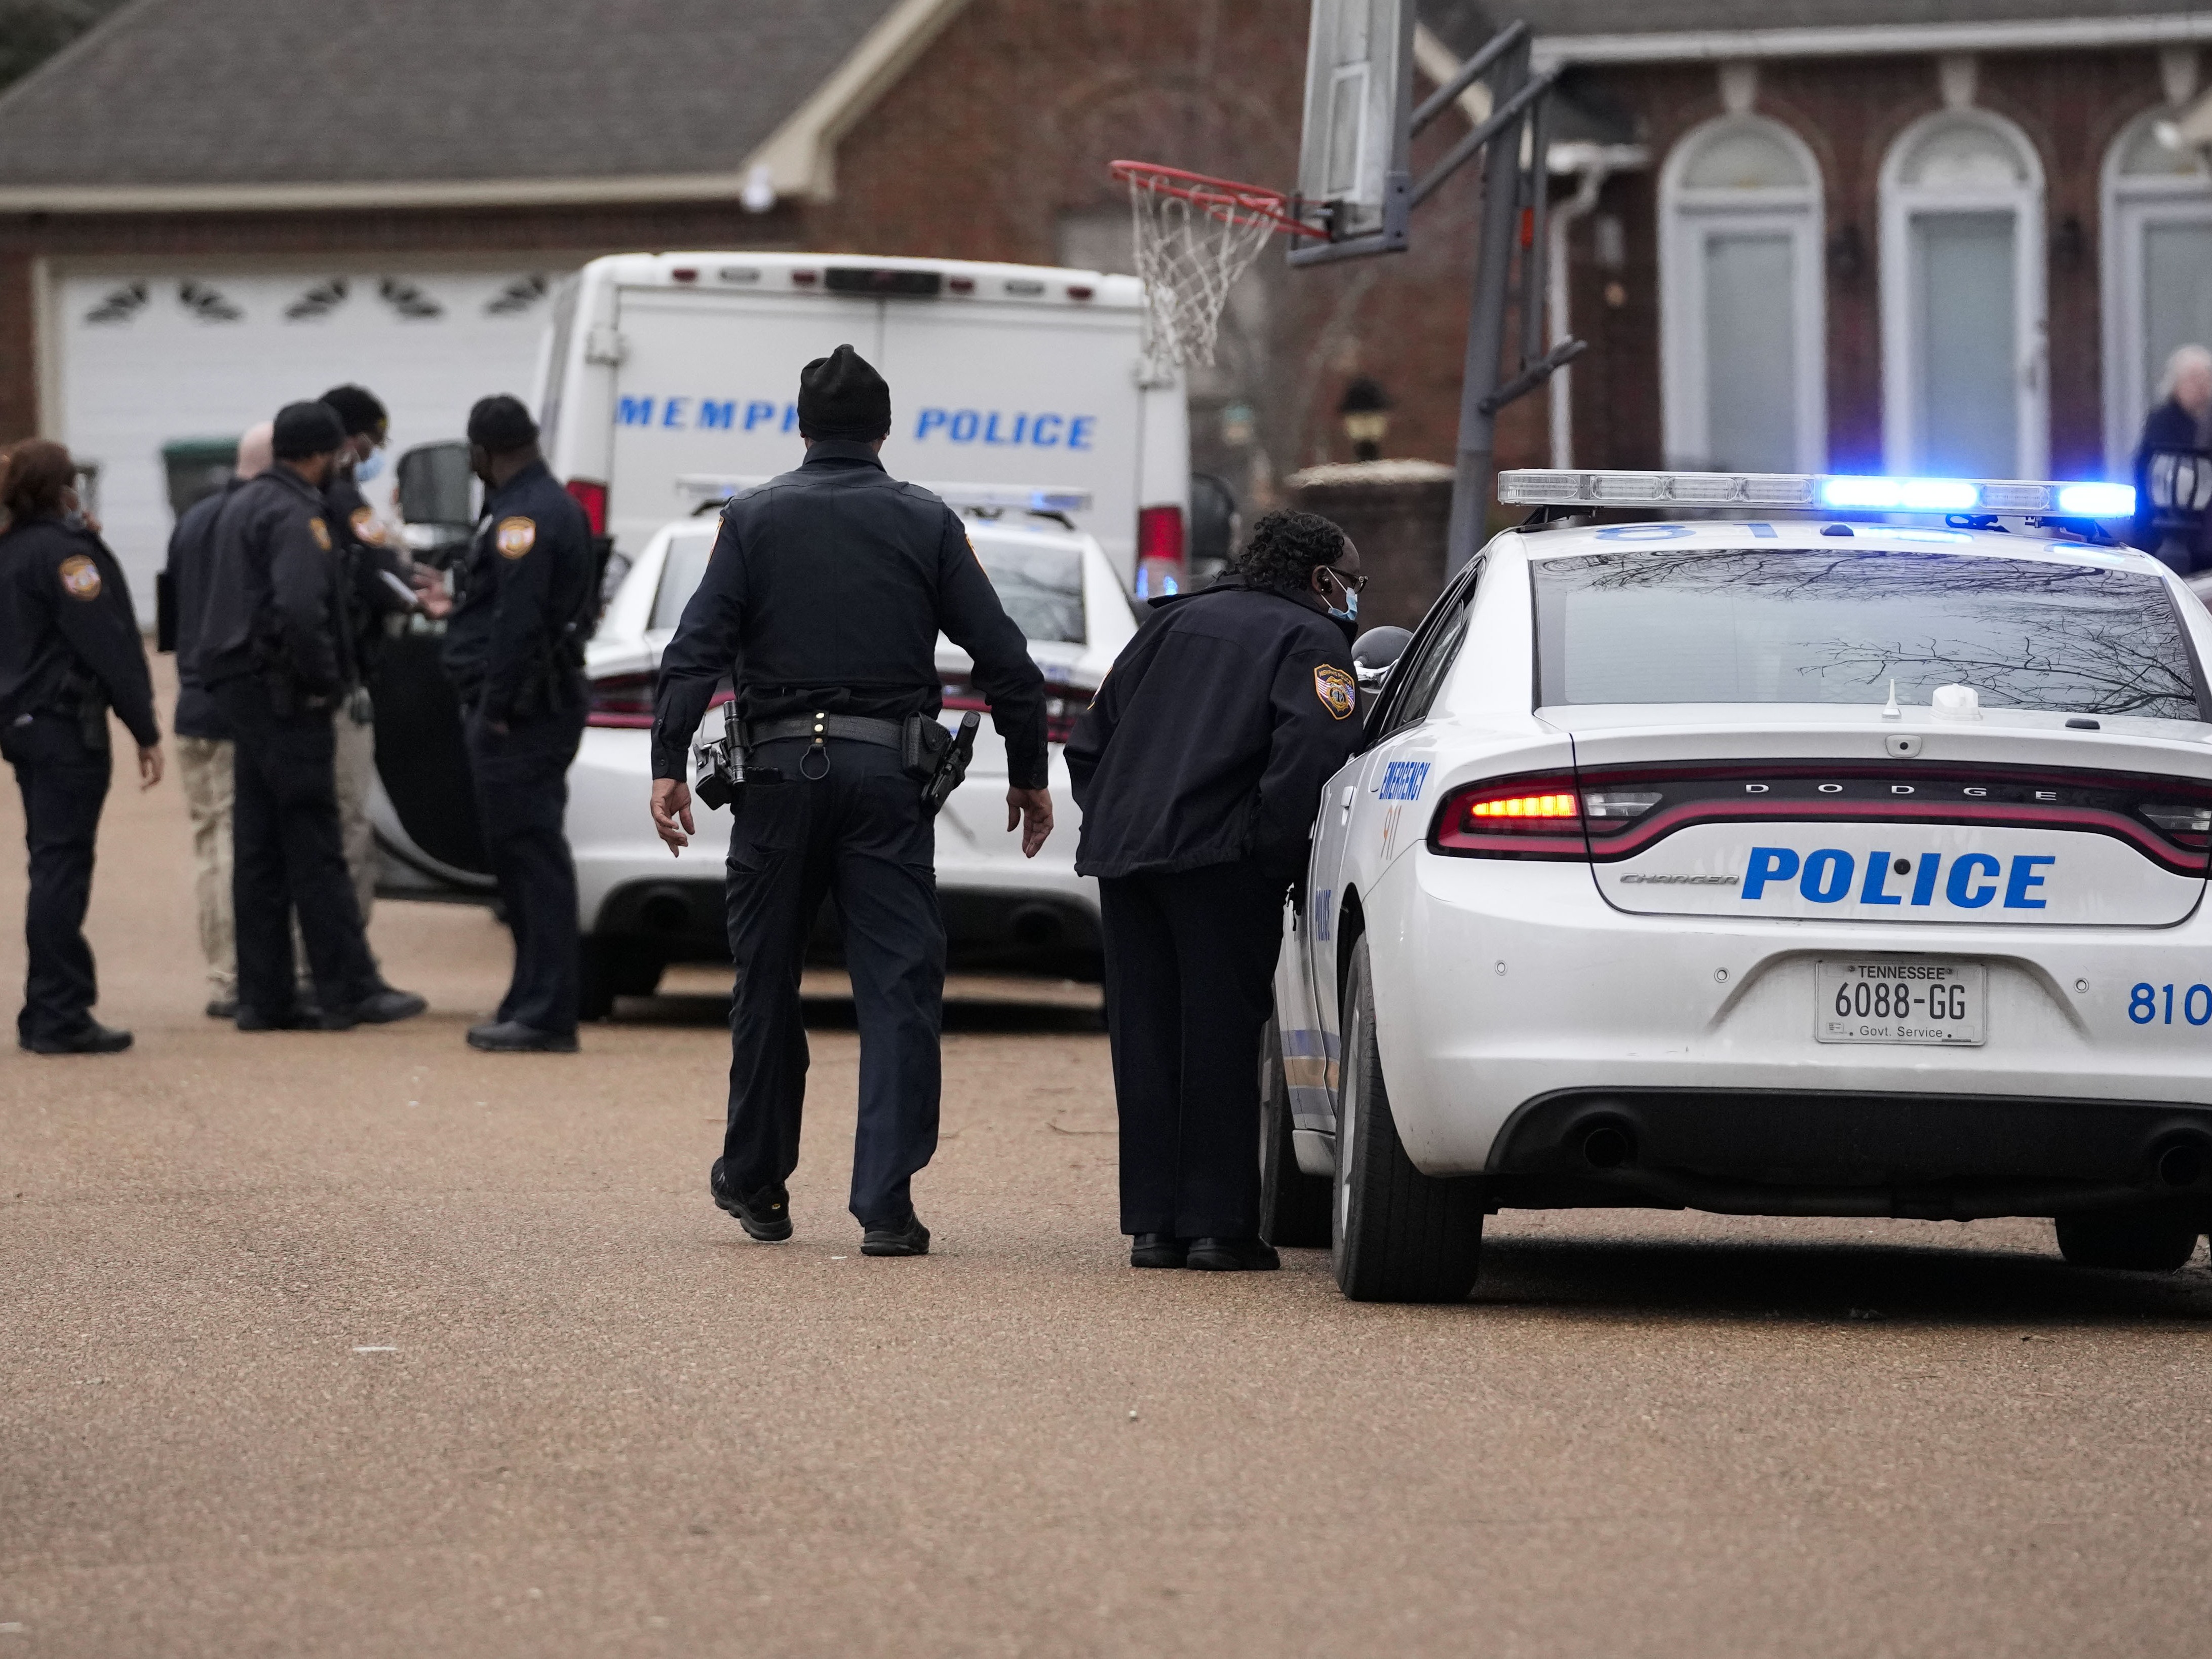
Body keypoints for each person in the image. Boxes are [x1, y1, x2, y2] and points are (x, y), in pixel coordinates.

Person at [649, 343, 1053, 1257]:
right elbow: (1008, 662)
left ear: (800, 427)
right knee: (899, 990)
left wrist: (667, 761)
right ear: (884, 429)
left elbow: (695, 647)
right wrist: (1029, 775)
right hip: (887, 786)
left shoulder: (750, 522)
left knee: (765, 985)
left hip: (777, 786)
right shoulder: (925, 521)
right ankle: (885, 1203)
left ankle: (756, 1181)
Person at [1065, 508, 1367, 1271]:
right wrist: (1270, 854)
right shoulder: (1312, 638)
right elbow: (1310, 752)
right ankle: (1217, 1224)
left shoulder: (1169, 623)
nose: (1353, 594)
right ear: (1316, 576)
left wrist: (1117, 820)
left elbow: (1088, 742)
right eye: (1350, 580)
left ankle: (1154, 1226)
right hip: (1222, 862)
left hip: (1128, 860)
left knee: (1147, 1036)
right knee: (1222, 1037)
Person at [199, 400, 426, 1032]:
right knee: (316, 842)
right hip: (286, 696)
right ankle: (348, 989)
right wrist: (326, 678)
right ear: (320, 454)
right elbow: (301, 608)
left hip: (242, 695)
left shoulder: (239, 503)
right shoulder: (298, 512)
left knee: (260, 849)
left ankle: (264, 996)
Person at [435, 395, 597, 1052]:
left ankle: (548, 1009)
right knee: (520, 857)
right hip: (530, 707)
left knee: (532, 859)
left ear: (483, 451)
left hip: (524, 713)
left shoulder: (524, 515)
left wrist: (495, 707)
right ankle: (529, 992)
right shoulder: (532, 504)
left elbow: (518, 621)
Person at [0, 440, 163, 1053]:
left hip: (22, 726)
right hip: (66, 729)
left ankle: (49, 1003)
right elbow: (109, 642)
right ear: (63, 487)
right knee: (62, 866)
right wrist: (143, 725)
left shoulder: (12, 549)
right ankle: (57, 1010)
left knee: (49, 859)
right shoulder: (68, 556)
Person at [164, 420, 271, 1019]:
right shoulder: (260, 518)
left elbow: (173, 611)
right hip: (235, 704)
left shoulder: (193, 521)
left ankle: (220, 970)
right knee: (237, 839)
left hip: (192, 701)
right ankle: (241, 970)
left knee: (209, 842)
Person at [317, 383, 414, 932]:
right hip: (341, 684)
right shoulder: (343, 500)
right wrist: (413, 586)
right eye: (373, 440)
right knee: (348, 823)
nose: (375, 452)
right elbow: (383, 575)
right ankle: (345, 959)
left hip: (292, 693)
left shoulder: (280, 496)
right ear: (352, 440)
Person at [2131, 343, 2212, 572]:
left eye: (2206, 378)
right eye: (2193, 379)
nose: (2201, 386)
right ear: (2176, 384)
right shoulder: (2162, 422)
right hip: (2166, 524)